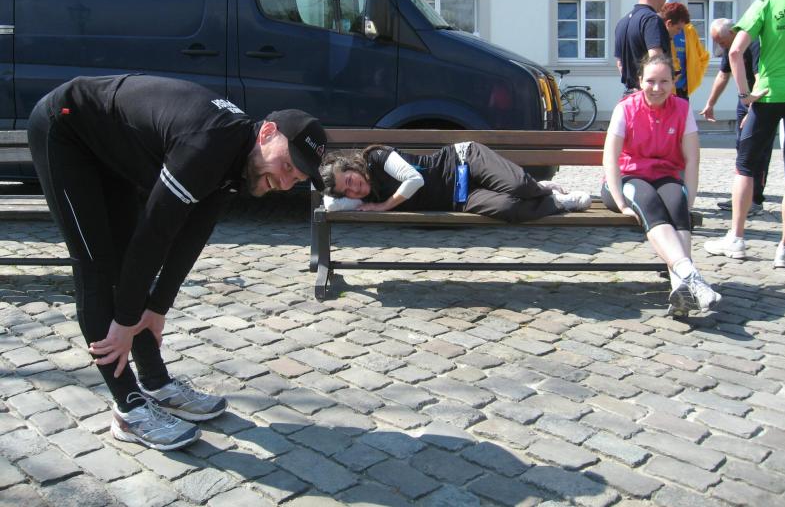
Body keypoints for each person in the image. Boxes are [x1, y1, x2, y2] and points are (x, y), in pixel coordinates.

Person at [27, 74, 327, 450]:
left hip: (107, 149)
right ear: (267, 133)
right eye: (287, 166)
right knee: (96, 267)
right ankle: (129, 408)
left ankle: (155, 383)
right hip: (67, 127)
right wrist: (124, 321)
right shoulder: (208, 144)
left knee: (127, 264)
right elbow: (155, 233)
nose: (284, 184)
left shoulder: (238, 159)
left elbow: (192, 234)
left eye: (296, 179)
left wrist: (157, 306)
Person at [602, 54, 721, 317]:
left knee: (677, 203)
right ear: (640, 81)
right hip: (627, 179)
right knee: (650, 202)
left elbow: (692, 159)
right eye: (651, 81)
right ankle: (691, 277)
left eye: (664, 81)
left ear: (673, 82)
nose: (657, 88)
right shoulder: (626, 108)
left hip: (665, 175)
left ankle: (681, 290)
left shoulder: (682, 108)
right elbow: (610, 158)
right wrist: (621, 203)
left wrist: (689, 200)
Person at [704, 0, 785, 268]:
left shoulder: (765, 3)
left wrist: (745, 95)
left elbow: (734, 52)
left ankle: (737, 238)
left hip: (767, 96)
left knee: (745, 166)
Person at [319, 142, 591, 222]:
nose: (354, 189)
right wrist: (332, 188)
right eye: (347, 190)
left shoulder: (376, 157)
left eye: (350, 179)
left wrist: (383, 206)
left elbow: (414, 179)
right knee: (508, 207)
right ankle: (557, 202)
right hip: (460, 198)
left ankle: (541, 188)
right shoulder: (362, 198)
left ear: (353, 166)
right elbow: (330, 204)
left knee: (519, 186)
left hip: (464, 160)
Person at [701, 18, 771, 216]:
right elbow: (723, 75)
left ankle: (755, 200)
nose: (720, 46)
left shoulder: (754, 43)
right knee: (742, 148)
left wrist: (753, 110)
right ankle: (741, 196)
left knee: (758, 150)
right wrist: (710, 103)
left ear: (732, 33)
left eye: (721, 42)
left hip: (762, 100)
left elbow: (760, 80)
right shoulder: (729, 45)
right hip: (744, 100)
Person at [615, 0, 671, 96]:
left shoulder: (622, 22)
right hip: (649, 96)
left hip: (629, 95)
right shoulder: (652, 20)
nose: (665, 0)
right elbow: (656, 57)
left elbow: (620, 63)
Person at [660, 0, 710, 101]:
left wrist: (693, 80)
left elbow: (703, 57)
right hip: (664, 90)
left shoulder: (689, 30)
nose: (679, 31)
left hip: (682, 90)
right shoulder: (656, 31)